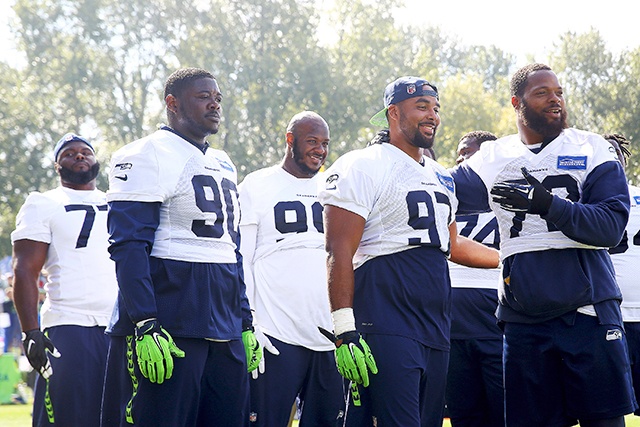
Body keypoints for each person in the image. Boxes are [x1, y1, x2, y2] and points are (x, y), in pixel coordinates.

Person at [451, 63, 636, 426]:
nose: (555, 100)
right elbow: (434, 191)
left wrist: (548, 205)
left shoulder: (592, 148)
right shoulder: (492, 157)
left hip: (588, 310)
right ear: (516, 102)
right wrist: (400, 155)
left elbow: (610, 227)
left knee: (603, 421)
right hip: (524, 318)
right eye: (542, 93)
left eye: (559, 93)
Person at [318, 76, 500, 426]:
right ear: (393, 113)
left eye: (435, 108)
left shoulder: (441, 176)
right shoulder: (363, 164)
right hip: (386, 312)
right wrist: (344, 330)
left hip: (435, 318)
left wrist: (509, 259)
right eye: (421, 107)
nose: (432, 115)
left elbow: (453, 244)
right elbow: (338, 250)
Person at [101, 67, 261, 427]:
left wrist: (245, 319)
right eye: (204, 96)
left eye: (218, 98)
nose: (215, 104)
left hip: (224, 320)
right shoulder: (145, 153)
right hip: (170, 316)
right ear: (173, 103)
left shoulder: (224, 162)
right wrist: (144, 321)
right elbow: (128, 245)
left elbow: (230, 247)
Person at [238, 111, 344, 426]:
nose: (320, 150)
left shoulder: (335, 185)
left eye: (325, 143)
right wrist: (249, 321)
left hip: (329, 333)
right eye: (312, 141)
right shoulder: (257, 184)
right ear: (290, 140)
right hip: (274, 331)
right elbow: (242, 256)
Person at [10, 132, 118, 426]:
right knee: (68, 417)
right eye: (68, 153)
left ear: (96, 160)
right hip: (69, 326)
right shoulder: (42, 203)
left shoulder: (118, 201)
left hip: (118, 327)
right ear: (57, 166)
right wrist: (30, 332)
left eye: (86, 151)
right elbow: (24, 270)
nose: (79, 156)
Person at [447, 131, 504, 427]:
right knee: (464, 414)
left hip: (496, 317)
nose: (461, 161)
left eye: (469, 154)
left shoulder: (510, 199)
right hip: (452, 320)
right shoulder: (441, 196)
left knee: (504, 412)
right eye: (459, 154)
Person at [605, 133, 640, 417]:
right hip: (603, 315)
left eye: (616, 150)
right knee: (603, 410)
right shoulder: (581, 202)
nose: (612, 156)